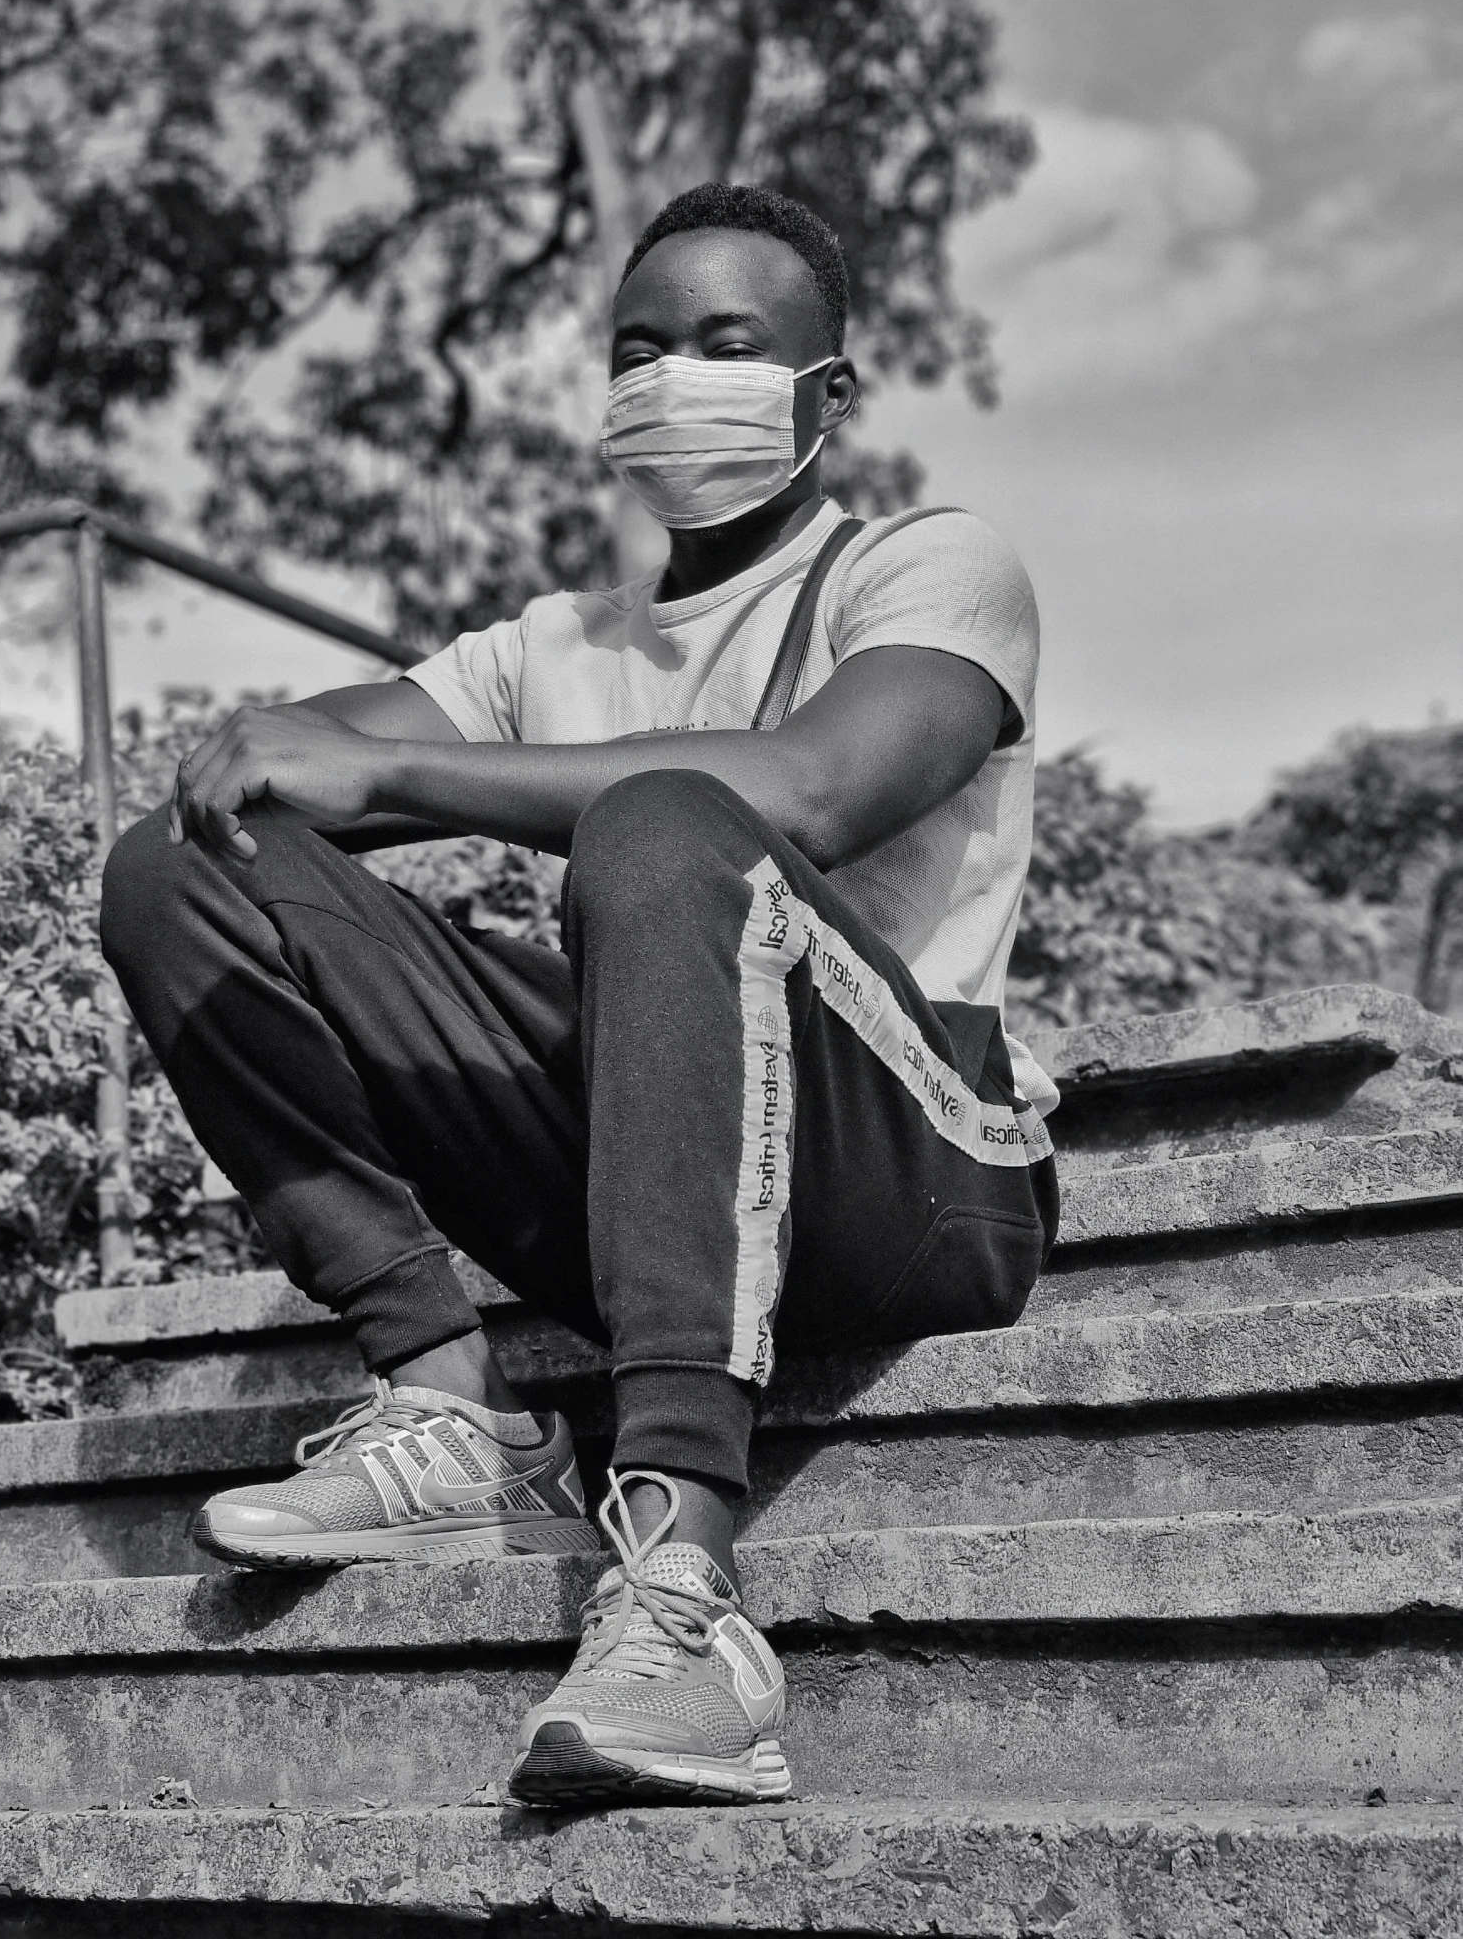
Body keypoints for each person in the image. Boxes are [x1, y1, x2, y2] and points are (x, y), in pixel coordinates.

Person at [100, 181, 1059, 1810]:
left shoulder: (926, 568)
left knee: (674, 821)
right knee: (180, 863)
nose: (674, 376)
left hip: (908, 1171)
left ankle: (681, 1594)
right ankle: (449, 1406)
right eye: (640, 346)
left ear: (826, 394)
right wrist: (276, 757)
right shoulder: (554, 643)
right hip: (657, 1163)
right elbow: (279, 771)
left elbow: (817, 792)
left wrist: (403, 762)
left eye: (724, 344)